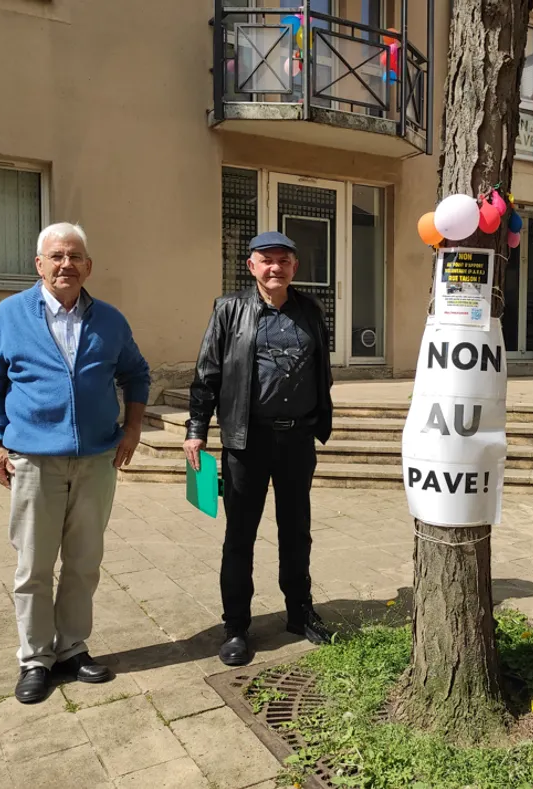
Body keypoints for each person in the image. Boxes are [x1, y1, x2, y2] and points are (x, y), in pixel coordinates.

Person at [0, 222, 149, 704]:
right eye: (56, 256)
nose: (65, 264)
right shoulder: (9, 316)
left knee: (84, 561)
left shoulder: (109, 320)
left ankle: (71, 648)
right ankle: (35, 659)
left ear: (88, 266)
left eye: (74, 257)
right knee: (33, 565)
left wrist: (133, 428)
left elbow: (136, 373)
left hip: (96, 461)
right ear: (39, 264)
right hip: (33, 461)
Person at [183, 231, 335, 666]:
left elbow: (321, 369)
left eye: (283, 260)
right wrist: (197, 428)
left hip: (297, 441)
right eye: (266, 260)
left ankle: (299, 612)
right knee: (240, 535)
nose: (275, 268)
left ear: (294, 267)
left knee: (296, 529)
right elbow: (207, 373)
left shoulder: (310, 310)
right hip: (246, 441)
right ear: (251, 267)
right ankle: (236, 626)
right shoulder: (229, 310)